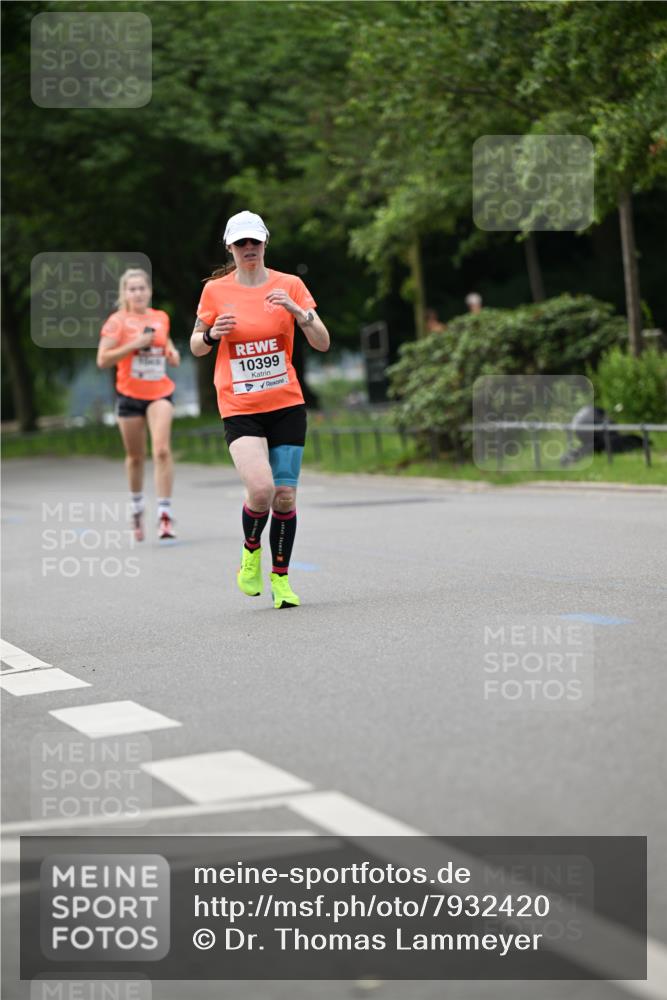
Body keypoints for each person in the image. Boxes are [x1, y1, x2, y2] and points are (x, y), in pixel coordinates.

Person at [190, 210, 330, 608]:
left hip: (285, 403)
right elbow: (195, 345)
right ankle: (250, 553)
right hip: (240, 405)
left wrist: (298, 312)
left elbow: (322, 342)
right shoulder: (216, 292)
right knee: (262, 489)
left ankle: (281, 581)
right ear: (230, 248)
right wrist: (213, 334)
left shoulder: (291, 285)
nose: (249, 249)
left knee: (285, 496)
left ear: (265, 243)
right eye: (241, 244)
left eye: (255, 242)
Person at [97, 267, 180, 541]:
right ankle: (136, 507)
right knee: (135, 457)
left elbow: (164, 340)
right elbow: (103, 359)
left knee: (162, 451)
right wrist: (134, 344)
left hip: (160, 392)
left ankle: (164, 515)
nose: (138, 292)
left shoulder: (160, 317)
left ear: (150, 291)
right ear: (125, 293)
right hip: (129, 396)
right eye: (132, 289)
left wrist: (171, 351)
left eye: (142, 288)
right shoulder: (116, 322)